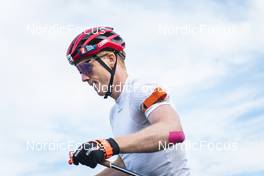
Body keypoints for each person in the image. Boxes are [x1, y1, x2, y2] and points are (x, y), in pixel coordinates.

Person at [66, 26, 190, 176]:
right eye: (79, 71)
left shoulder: (142, 89)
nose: (83, 78)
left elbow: (173, 132)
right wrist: (102, 150)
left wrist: (108, 145)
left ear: (111, 59)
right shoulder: (114, 113)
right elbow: (129, 163)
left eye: (86, 67)